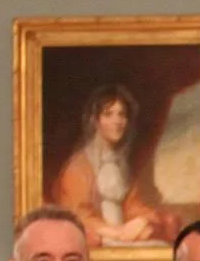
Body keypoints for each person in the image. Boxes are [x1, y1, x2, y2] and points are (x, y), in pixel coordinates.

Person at [52, 84, 182, 249]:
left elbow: (133, 206)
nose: (117, 121)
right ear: (96, 121)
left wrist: (142, 220)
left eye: (122, 115)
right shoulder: (78, 167)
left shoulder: (121, 166)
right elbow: (78, 215)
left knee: (160, 247)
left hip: (123, 237)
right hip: (97, 239)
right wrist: (116, 233)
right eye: (109, 114)